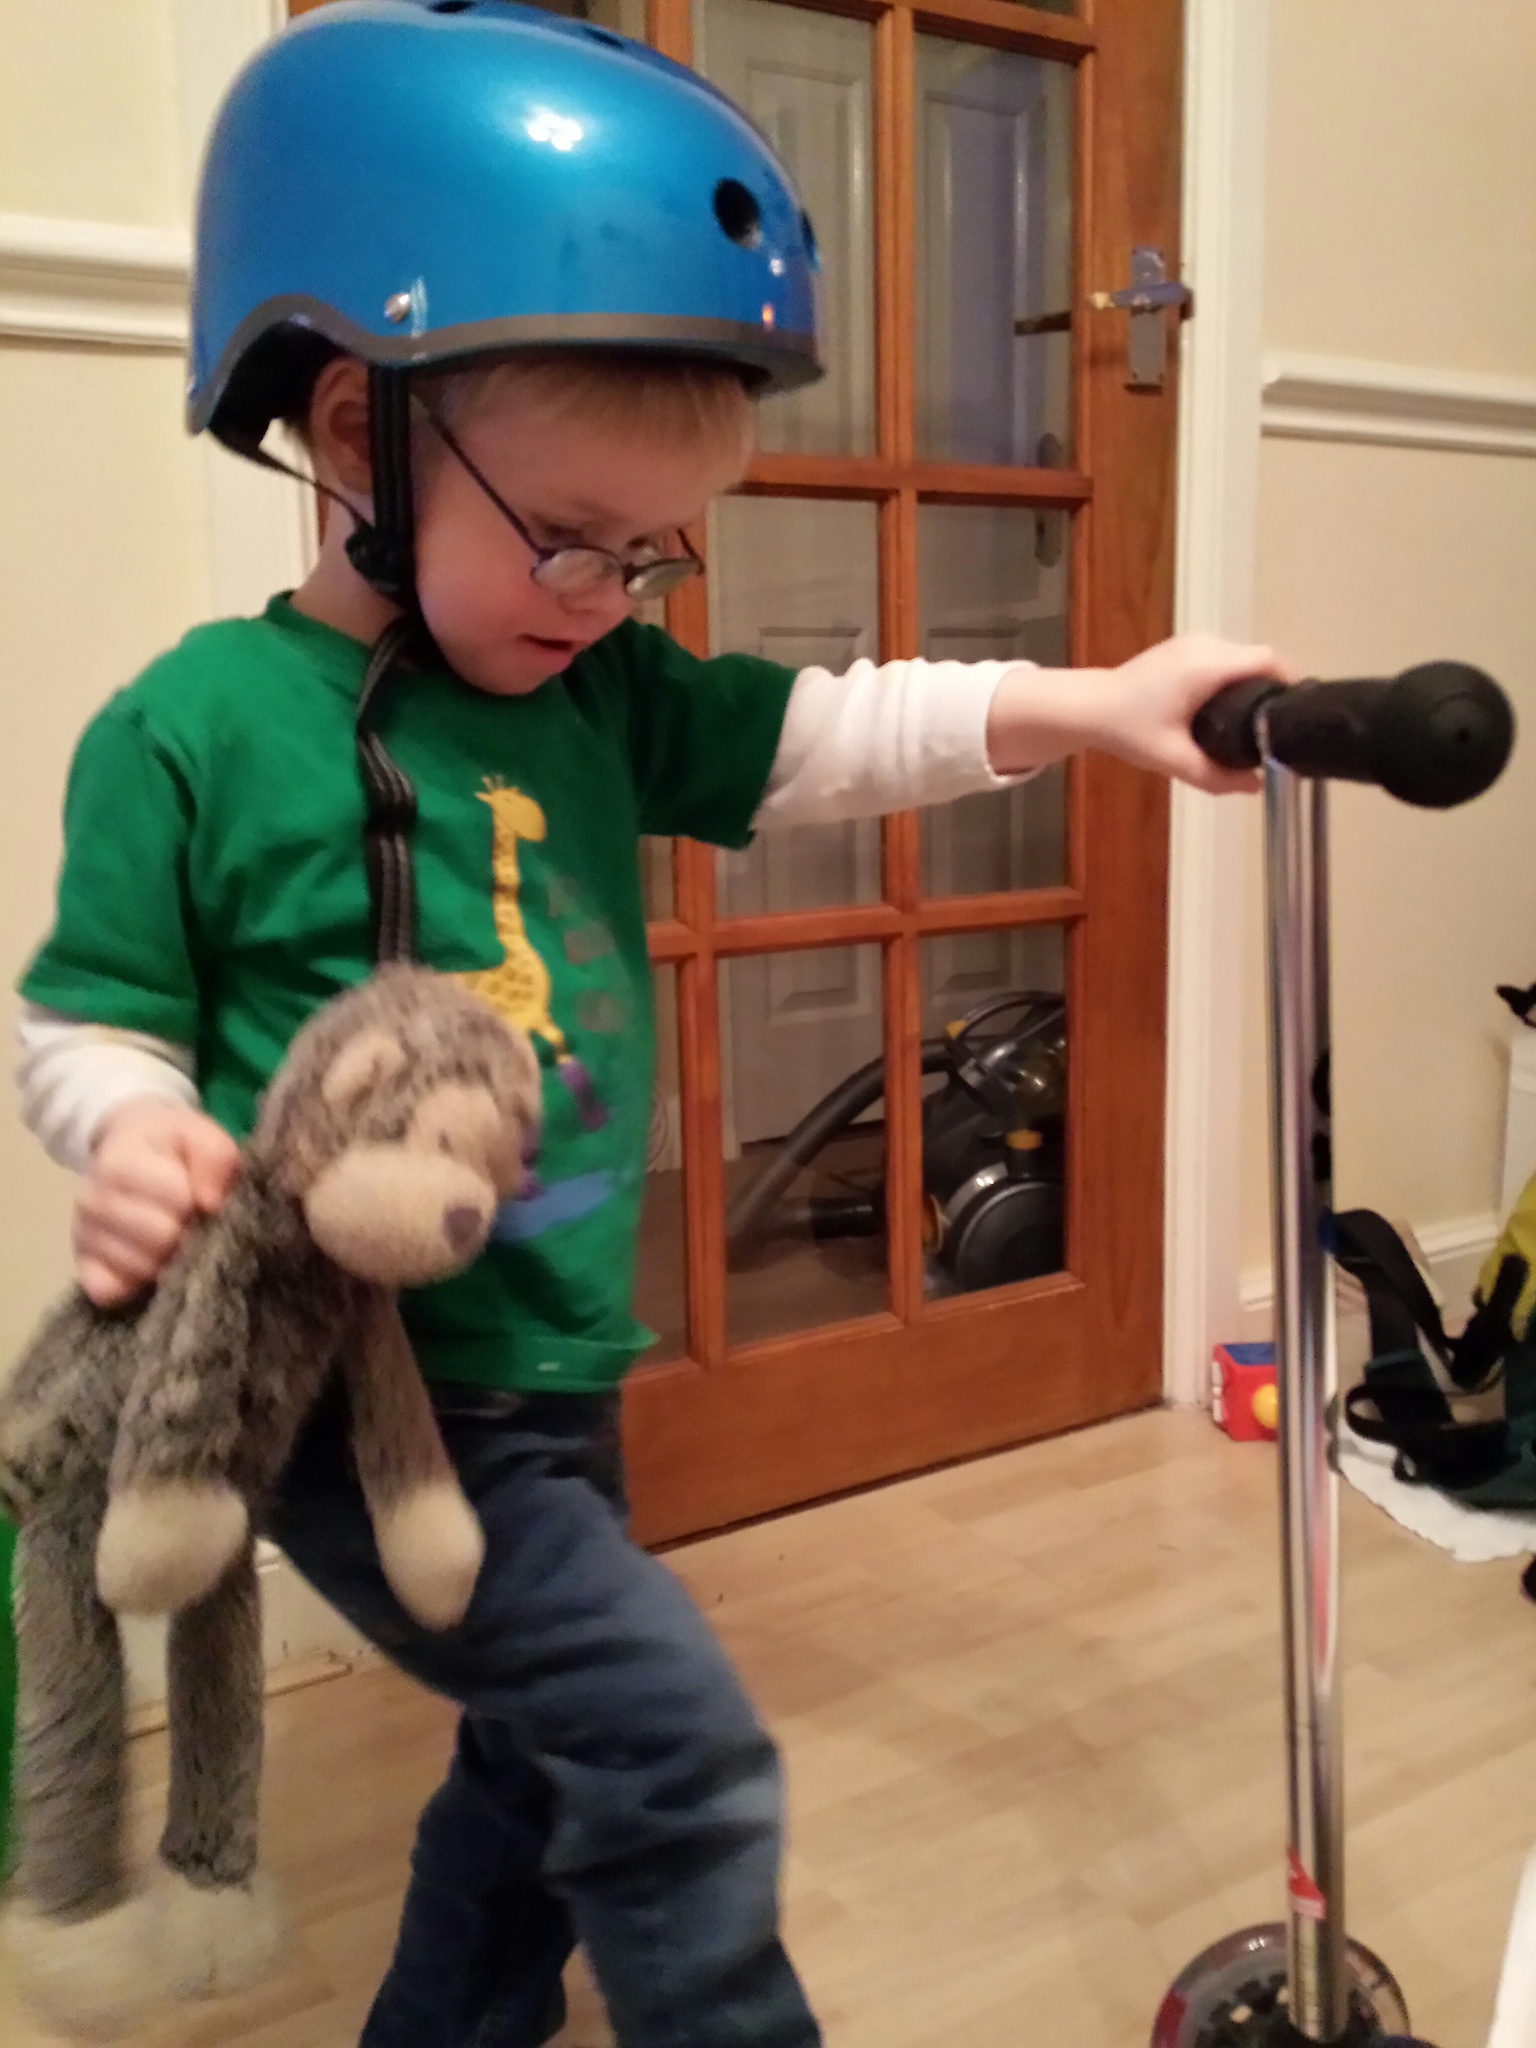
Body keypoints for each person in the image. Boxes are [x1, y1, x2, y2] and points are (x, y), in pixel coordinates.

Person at [13, 5, 1291, 2044]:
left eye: (650, 553)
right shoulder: (194, 728)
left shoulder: (597, 689)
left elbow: (838, 731)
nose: (608, 594)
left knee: (542, 1760)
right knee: (673, 1751)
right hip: (338, 1386)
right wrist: (132, 1125)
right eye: (566, 537)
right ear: (351, 433)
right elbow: (91, 1019)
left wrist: (1100, 703)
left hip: (550, 1365)